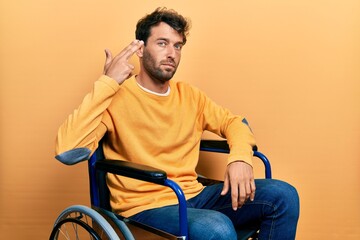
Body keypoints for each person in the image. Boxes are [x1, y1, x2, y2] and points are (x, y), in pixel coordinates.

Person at [55, 7, 299, 240]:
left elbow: (235, 122)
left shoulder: (190, 96)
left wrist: (240, 157)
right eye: (162, 43)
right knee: (216, 228)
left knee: (284, 196)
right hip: (146, 205)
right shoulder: (116, 97)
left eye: (178, 46)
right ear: (140, 49)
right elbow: (67, 151)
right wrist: (107, 82)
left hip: (193, 195)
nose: (172, 53)